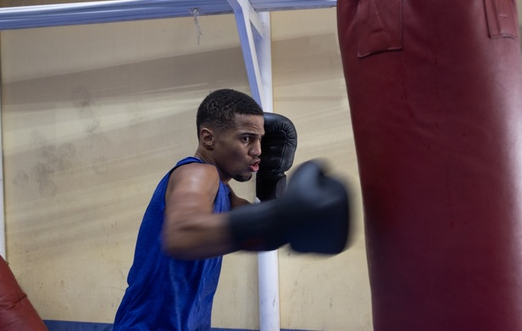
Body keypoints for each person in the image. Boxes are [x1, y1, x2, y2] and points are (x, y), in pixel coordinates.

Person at [114, 89, 350, 330]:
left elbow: (258, 235)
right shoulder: (197, 173)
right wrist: (281, 218)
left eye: (261, 140)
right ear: (208, 138)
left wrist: (273, 185)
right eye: (246, 138)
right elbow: (181, 235)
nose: (258, 150)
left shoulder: (224, 194)